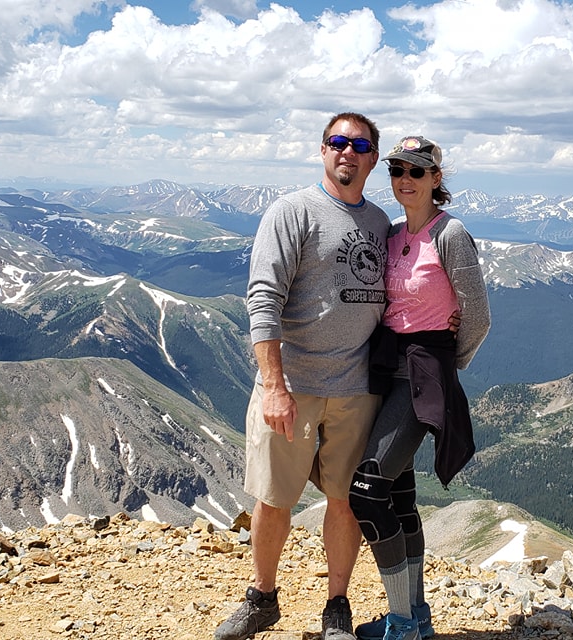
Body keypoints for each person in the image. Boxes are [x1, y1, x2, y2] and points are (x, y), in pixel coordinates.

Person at [214, 113, 390, 640]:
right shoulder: (293, 212)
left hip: (356, 390)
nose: (347, 152)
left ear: (373, 158)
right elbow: (262, 297)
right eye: (338, 142)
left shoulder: (381, 223)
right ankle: (263, 596)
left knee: (345, 499)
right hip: (292, 385)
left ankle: (337, 604)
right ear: (322, 150)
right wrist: (273, 384)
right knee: (274, 497)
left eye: (359, 145)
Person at [348, 136, 491, 640]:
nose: (403, 179)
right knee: (400, 499)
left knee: (366, 493)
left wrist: (447, 366)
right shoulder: (389, 234)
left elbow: (478, 315)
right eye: (396, 170)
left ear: (436, 179)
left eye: (415, 171)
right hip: (389, 371)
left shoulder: (451, 235)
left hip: (421, 375)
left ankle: (403, 622)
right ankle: (415, 617)